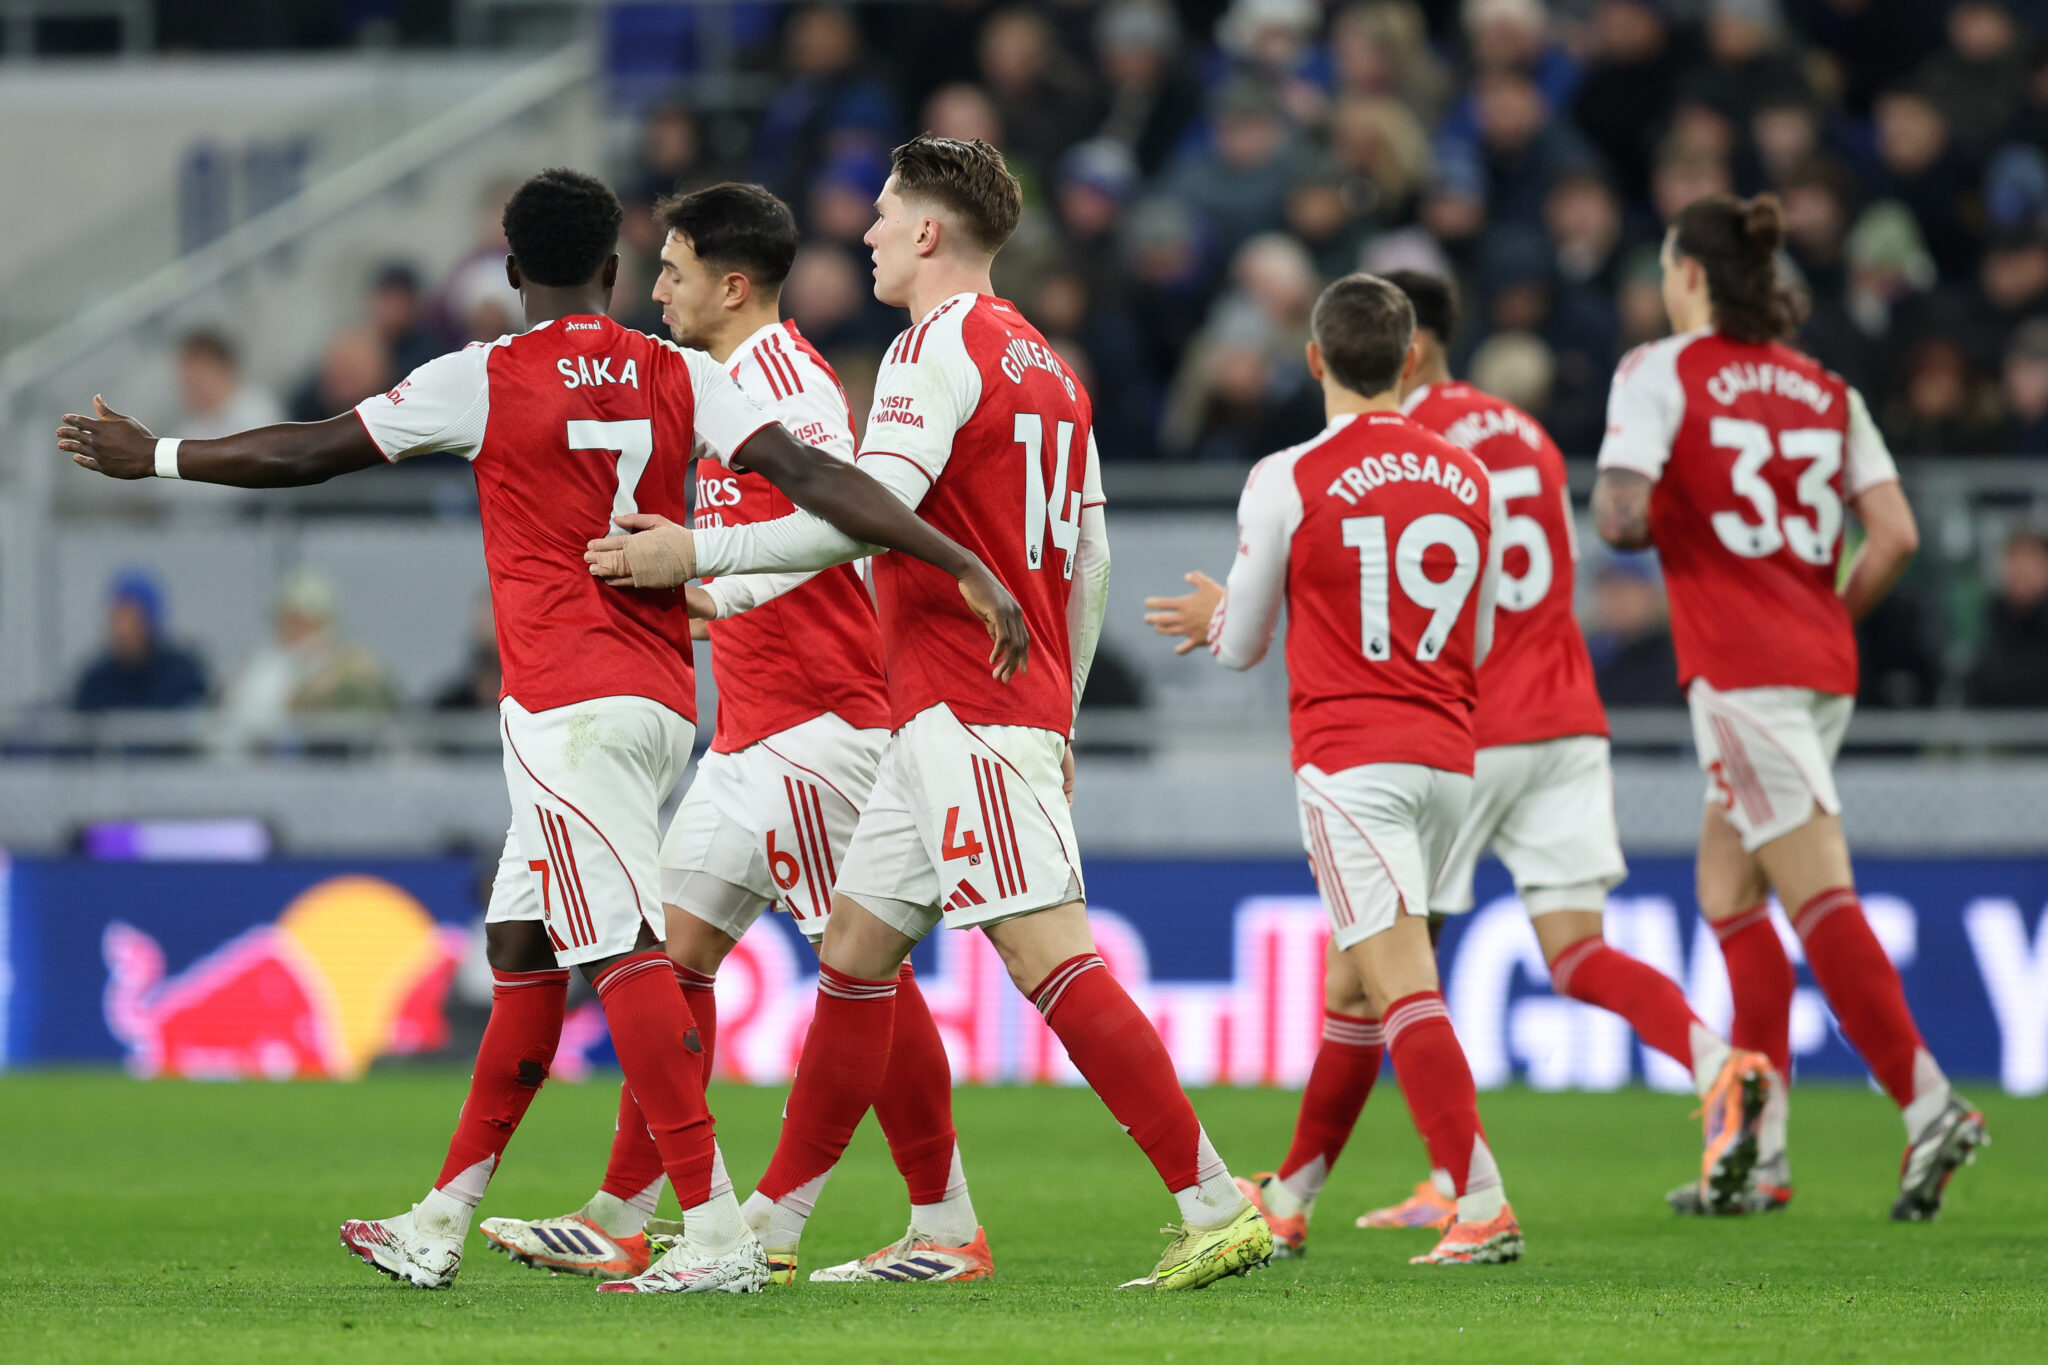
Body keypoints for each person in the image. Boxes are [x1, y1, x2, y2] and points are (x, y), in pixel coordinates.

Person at [59, 166, 1026, 1296]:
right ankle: (440, 1216)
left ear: (511, 270)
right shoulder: (680, 372)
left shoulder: (483, 375)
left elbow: (312, 449)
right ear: (610, 272)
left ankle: (712, 1231)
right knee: (523, 943)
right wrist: (953, 557)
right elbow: (813, 475)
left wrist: (160, 457)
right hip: (665, 701)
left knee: (622, 951)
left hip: (568, 707)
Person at [585, 135, 1273, 1291]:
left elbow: (867, 512)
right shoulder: (1047, 363)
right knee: (854, 954)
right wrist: (1066, 706)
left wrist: (698, 550)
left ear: (927, 233)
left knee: (1048, 954)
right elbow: (1092, 558)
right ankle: (823, 1231)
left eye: (883, 212)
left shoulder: (928, 351)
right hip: (963, 710)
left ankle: (1214, 1199)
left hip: (968, 699)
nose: (861, 231)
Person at [478, 182, 989, 1286]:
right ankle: (625, 1207)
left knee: (863, 978)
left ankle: (926, 1222)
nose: (652, 291)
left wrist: (708, 581)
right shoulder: (716, 380)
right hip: (750, 729)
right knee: (675, 957)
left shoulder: (784, 388)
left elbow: (833, 519)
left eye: (670, 272)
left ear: (731, 283)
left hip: (819, 721)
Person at [1306, 271, 1770, 1244]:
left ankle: (1413, 1190)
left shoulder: (1393, 448)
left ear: (1405, 349)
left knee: (1381, 974)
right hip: (1567, 719)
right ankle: (1713, 1060)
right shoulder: (1518, 434)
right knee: (1576, 951)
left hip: (1465, 728)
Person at [1591, 191, 1985, 1220]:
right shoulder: (1823, 386)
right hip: (1817, 662)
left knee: (1817, 894)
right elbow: (1890, 533)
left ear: (1685, 275)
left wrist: (1647, 515)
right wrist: (1825, 613)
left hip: (1739, 665)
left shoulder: (1657, 370)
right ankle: (1759, 1159)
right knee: (1728, 891)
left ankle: (1926, 1101)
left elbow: (1620, 512)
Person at [1144, 273, 1522, 1268]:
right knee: (1354, 989)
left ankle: (1478, 1202)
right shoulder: (1468, 477)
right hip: (1448, 756)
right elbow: (1477, 635)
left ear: (1312, 360)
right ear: (1409, 361)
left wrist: (1213, 614)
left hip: (1351, 760)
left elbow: (1240, 644)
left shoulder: (1288, 475)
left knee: (1399, 981)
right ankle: (1295, 1193)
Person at [213, 568, 396, 751]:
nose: (289, 626)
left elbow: (375, 721)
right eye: (285, 617)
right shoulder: (266, 663)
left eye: (299, 618)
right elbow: (240, 726)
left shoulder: (355, 663)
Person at [71, 568, 210, 712]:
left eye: (133, 620)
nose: (124, 630)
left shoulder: (182, 679)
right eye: (118, 619)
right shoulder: (95, 683)